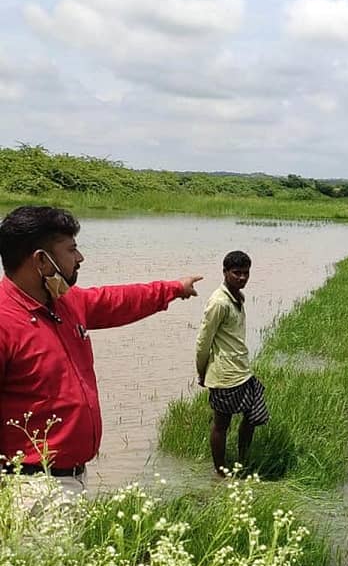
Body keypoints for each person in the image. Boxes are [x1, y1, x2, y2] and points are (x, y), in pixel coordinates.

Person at [0, 206, 202, 496]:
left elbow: (117, 301)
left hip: (73, 479)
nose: (80, 258)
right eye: (71, 250)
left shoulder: (63, 303)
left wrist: (172, 289)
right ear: (42, 262)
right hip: (29, 487)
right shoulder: (5, 321)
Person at [196, 251, 269, 477]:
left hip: (242, 371)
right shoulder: (218, 302)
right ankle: (220, 471)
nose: (242, 278)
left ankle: (242, 460)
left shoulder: (237, 296)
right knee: (221, 424)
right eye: (236, 273)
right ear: (225, 272)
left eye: (246, 273)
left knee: (254, 415)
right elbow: (203, 342)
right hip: (224, 375)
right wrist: (202, 372)